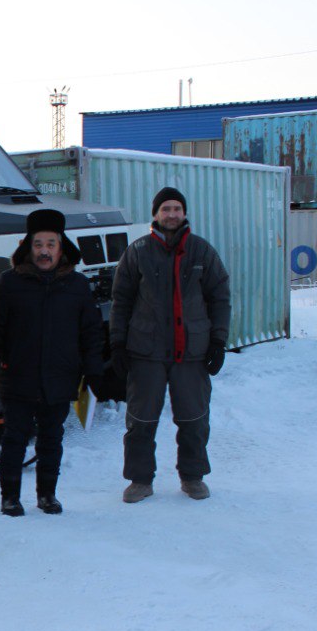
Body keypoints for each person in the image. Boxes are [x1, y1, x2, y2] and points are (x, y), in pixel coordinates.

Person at [109, 187, 231, 503]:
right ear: (156, 214)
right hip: (145, 351)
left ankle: (192, 477)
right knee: (141, 420)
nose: (172, 214)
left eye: (177, 208)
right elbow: (120, 301)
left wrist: (218, 340)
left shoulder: (202, 252)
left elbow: (220, 298)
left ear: (184, 212)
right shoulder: (137, 251)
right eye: (166, 209)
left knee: (193, 418)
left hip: (191, 351)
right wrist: (117, 344)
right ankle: (140, 480)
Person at [0, 209, 104, 516]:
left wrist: (94, 371)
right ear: (28, 247)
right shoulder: (9, 283)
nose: (44, 251)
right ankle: (9, 497)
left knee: (52, 438)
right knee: (14, 438)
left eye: (51, 244)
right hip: (18, 376)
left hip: (61, 376)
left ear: (61, 247)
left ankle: (47, 495)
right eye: (38, 244)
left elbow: (91, 332)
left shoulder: (77, 285)